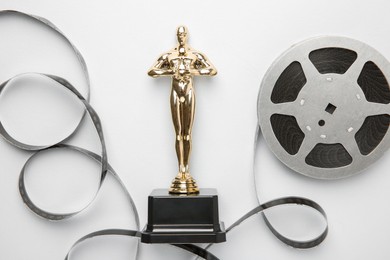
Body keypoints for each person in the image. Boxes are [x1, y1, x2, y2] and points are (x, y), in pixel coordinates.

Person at [148, 26, 217, 194]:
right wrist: (173, 71)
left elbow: (212, 70)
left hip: (189, 91)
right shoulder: (169, 55)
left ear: (186, 36)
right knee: (178, 132)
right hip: (175, 92)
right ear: (176, 36)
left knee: (187, 133)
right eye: (179, 34)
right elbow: (152, 71)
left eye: (183, 34)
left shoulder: (194, 55)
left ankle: (186, 170)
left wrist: (190, 70)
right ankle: (181, 171)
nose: (181, 36)